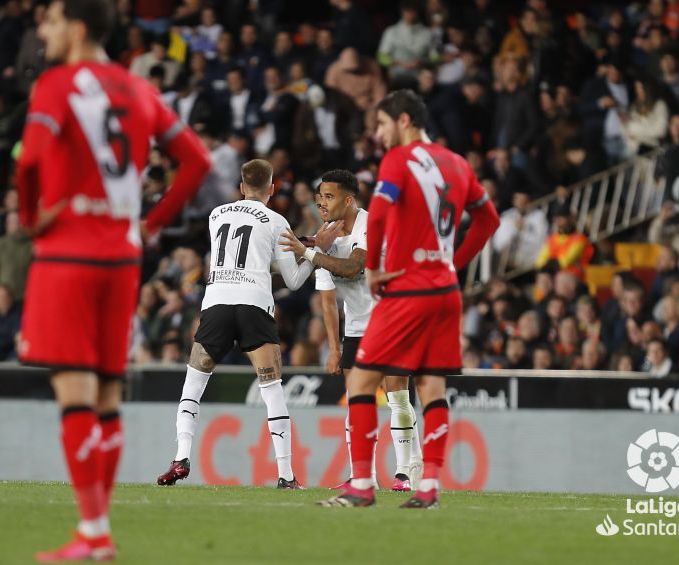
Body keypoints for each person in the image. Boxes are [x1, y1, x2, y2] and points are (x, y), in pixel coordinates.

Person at [15, 1, 210, 561]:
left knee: (75, 393)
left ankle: (94, 532)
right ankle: (97, 531)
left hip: (68, 255)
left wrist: (32, 219)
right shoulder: (137, 89)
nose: (42, 30)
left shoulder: (57, 85)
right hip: (121, 259)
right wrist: (149, 226)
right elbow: (194, 160)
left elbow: (28, 162)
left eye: (50, 20)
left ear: (76, 29)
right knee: (105, 394)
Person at [318, 90, 499, 509]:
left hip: (408, 288)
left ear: (403, 120)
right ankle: (429, 485)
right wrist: (454, 264)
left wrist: (377, 269)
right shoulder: (457, 163)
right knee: (433, 386)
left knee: (361, 381)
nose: (378, 134)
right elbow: (489, 219)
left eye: (381, 124)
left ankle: (362, 485)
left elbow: (378, 213)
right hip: (445, 291)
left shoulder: (399, 160)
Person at [156, 159, 332, 490]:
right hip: (253, 305)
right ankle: (285, 475)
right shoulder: (277, 220)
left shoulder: (216, 215)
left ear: (240, 187)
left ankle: (180, 458)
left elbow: (243, 255)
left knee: (193, 387)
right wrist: (313, 252)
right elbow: (292, 280)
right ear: (272, 189)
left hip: (217, 303)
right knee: (272, 389)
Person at [280, 169, 423, 491]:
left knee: (396, 394)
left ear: (348, 199)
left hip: (392, 317)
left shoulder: (370, 225)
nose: (322, 204)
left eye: (329, 197)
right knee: (357, 399)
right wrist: (333, 347)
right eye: (320, 198)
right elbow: (328, 300)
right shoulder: (326, 237)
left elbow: (354, 267)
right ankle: (363, 476)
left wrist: (312, 252)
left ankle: (403, 472)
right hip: (358, 324)